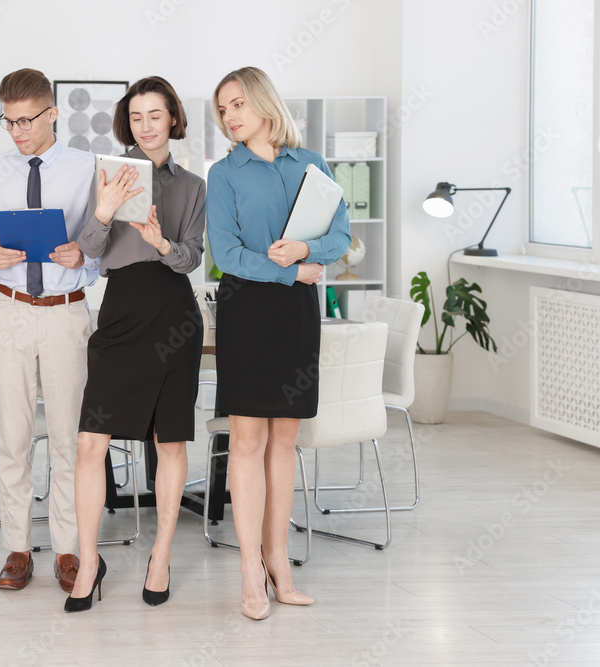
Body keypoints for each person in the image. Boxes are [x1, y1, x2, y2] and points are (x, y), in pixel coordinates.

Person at [207, 66, 351, 620]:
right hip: (247, 310)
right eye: (223, 109)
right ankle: (249, 569)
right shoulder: (224, 174)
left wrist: (306, 251)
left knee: (283, 442)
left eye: (238, 104)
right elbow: (228, 255)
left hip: (294, 316)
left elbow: (341, 233)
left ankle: (279, 562)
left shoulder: (311, 163)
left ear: (265, 102)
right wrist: (296, 270)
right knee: (246, 440)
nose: (231, 116)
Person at [67, 76, 206, 612]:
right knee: (89, 442)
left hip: (173, 312)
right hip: (121, 312)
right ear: (128, 121)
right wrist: (105, 208)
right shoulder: (105, 174)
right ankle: (87, 564)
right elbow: (86, 250)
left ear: (172, 118)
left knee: (168, 441)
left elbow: (193, 257)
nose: (147, 125)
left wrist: (161, 243)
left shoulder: (193, 185)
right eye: (138, 116)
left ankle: (162, 557)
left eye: (156, 114)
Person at [0, 68, 97, 594]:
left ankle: (69, 551)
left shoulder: (87, 169)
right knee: (13, 437)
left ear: (52, 114)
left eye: (26, 121)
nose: (17, 131)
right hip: (11, 308)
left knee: (69, 439)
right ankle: (17, 550)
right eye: (8, 121)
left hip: (67, 310)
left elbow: (105, 243)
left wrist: (84, 255)